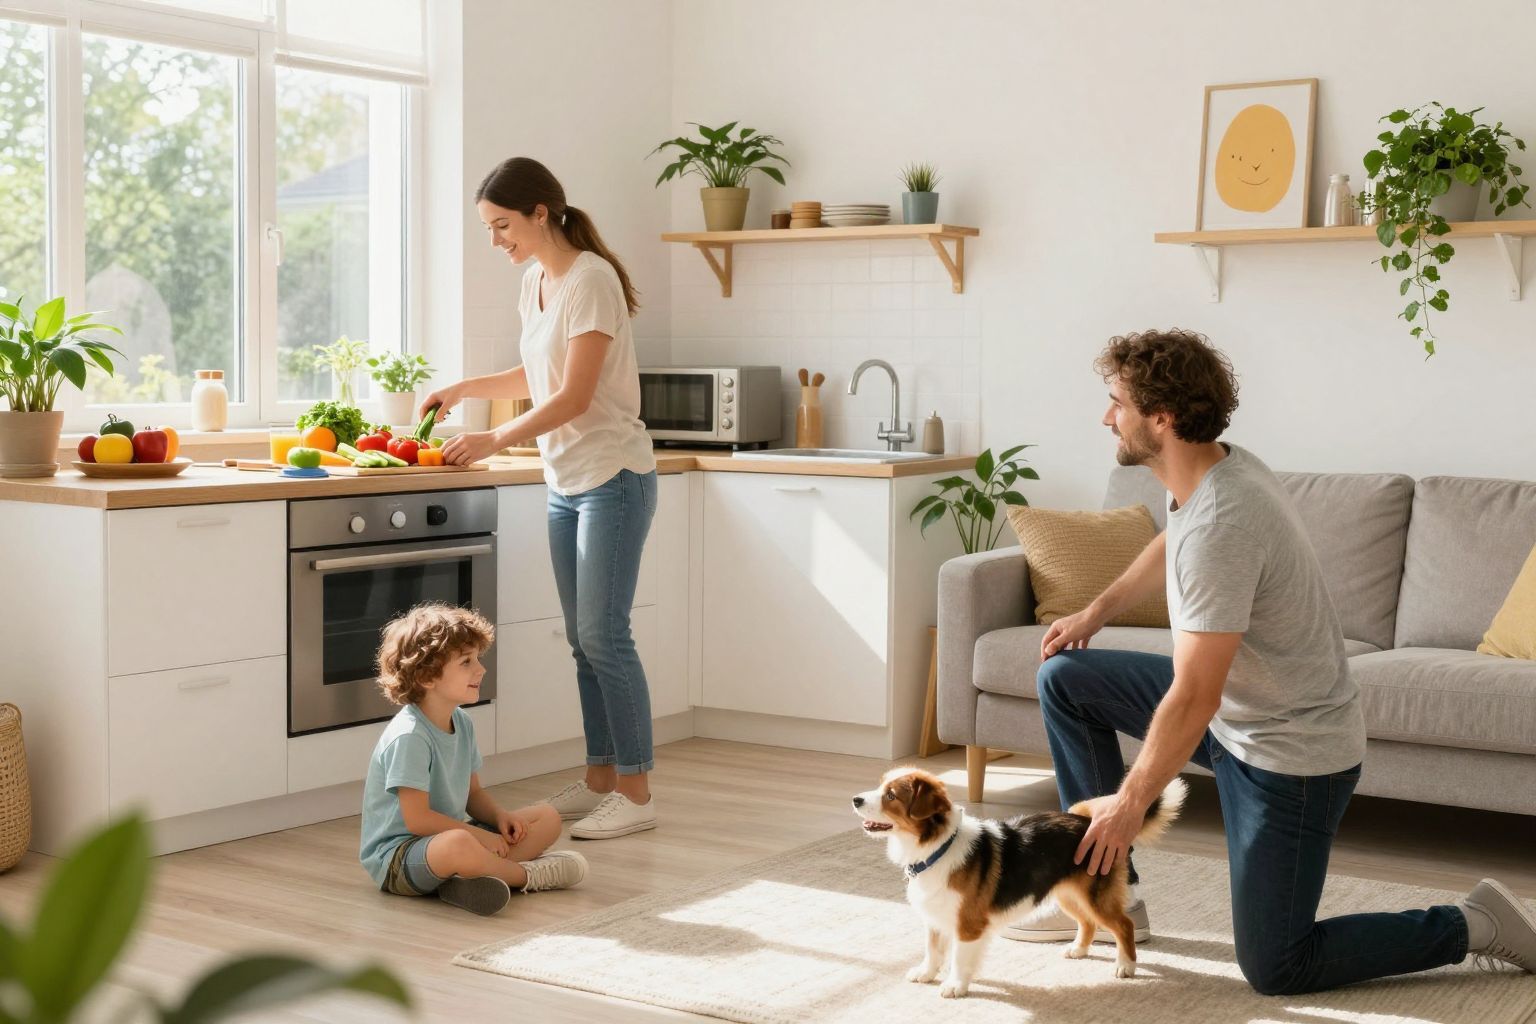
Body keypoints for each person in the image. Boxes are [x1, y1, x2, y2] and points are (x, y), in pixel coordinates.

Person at [1005, 329, 1536, 993]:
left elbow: (1194, 697)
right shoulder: (1212, 468)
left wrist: (1127, 805)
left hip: (1291, 755)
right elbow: (1174, 539)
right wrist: (1096, 611)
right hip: (1239, 714)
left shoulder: (1224, 523)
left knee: (1279, 965)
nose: (1106, 416)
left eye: (1117, 403)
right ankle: (1109, 892)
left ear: (1161, 418)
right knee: (1067, 680)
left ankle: (1473, 923)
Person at [420, 157, 660, 840]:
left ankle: (638, 795)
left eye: (502, 226)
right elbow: (539, 372)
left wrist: (495, 437)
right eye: (489, 228)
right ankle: (600, 780)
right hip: (566, 481)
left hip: (614, 476)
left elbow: (575, 395)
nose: (496, 240)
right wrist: (465, 389)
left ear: (540, 213)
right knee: (583, 643)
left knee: (605, 635)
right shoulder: (537, 282)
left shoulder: (592, 279)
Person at [359, 603, 587, 916]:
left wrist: (500, 817)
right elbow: (418, 820)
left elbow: (473, 794)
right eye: (466, 662)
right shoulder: (410, 736)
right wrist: (479, 836)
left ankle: (470, 876)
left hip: (449, 837)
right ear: (427, 676)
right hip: (400, 858)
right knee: (459, 845)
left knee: (547, 817)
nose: (481, 669)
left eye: (477, 659)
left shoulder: (462, 722)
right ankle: (529, 877)